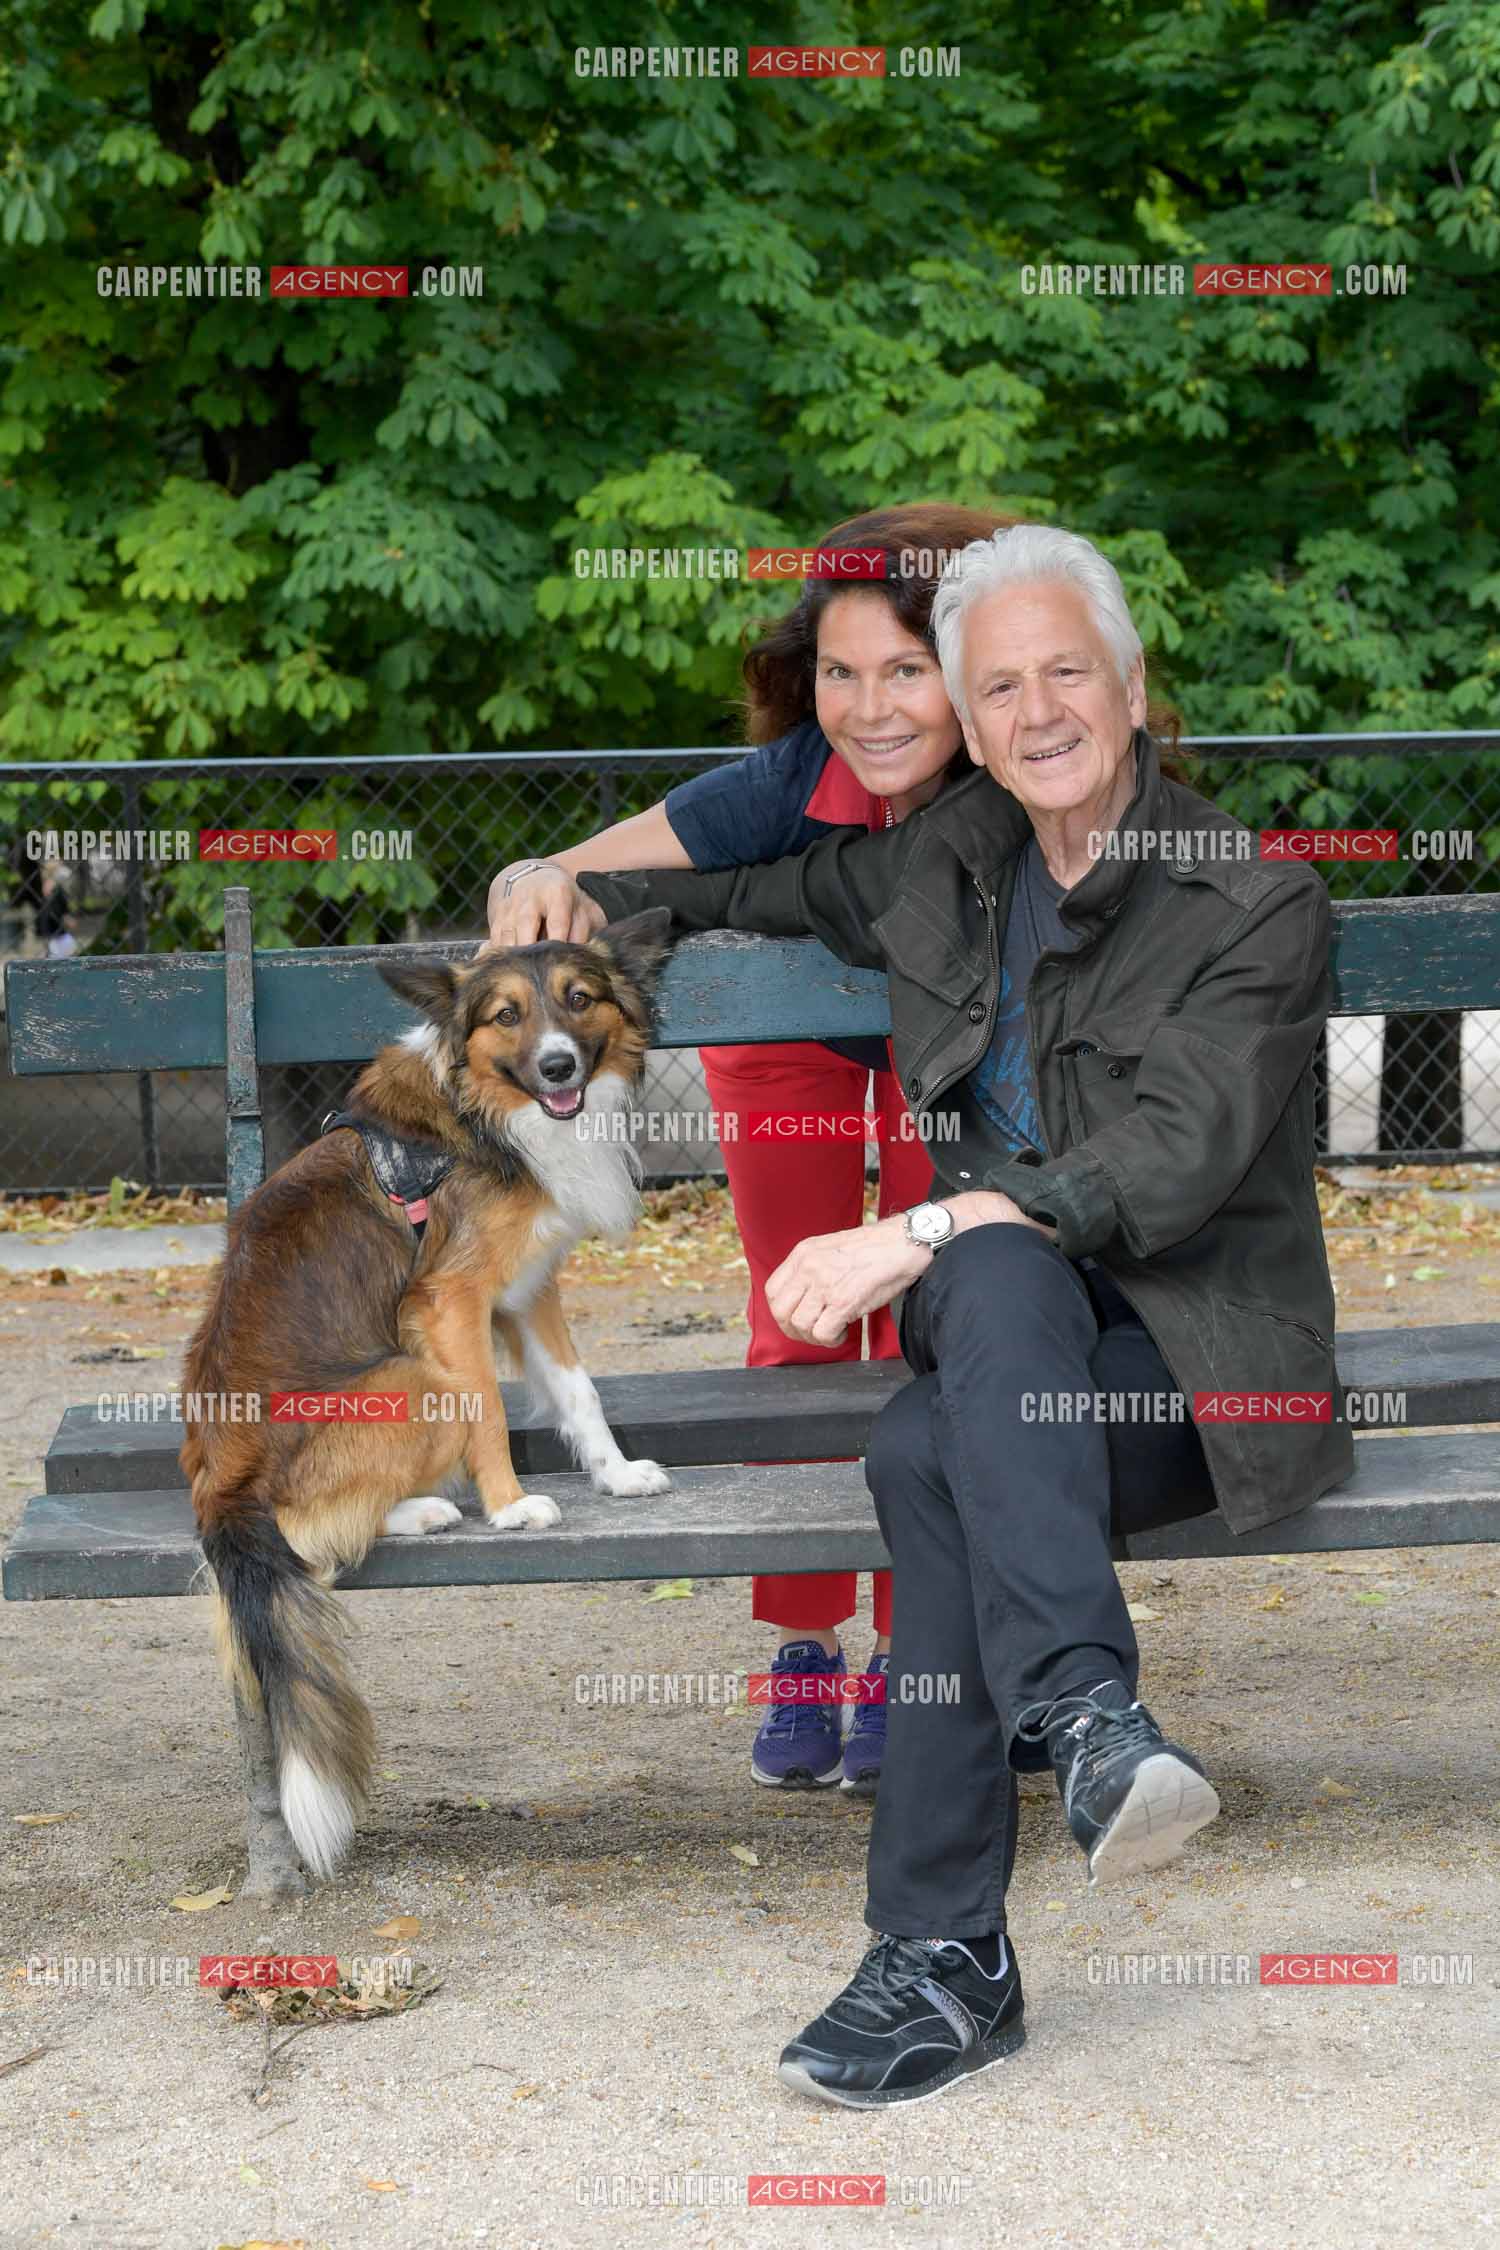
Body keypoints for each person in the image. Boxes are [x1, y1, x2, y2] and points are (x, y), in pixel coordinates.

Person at [566, 523, 1354, 2106]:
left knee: (932, 1436)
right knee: (988, 1294)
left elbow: (1167, 1164)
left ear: (1129, 688)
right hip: (1015, 1353)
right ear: (974, 721)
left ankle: (947, 1958)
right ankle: (1086, 1720)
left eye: (1070, 671)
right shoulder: (944, 861)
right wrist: (575, 892)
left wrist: (910, 1225)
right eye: (1002, 685)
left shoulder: (1252, 898)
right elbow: (741, 875)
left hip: (1191, 1385)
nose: (1038, 708)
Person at [486, 503, 1013, 1796]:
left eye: (906, 669)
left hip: (945, 1061)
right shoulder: (789, 780)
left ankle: (913, 1649)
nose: (872, 706)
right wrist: (528, 882)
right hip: (790, 1059)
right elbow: (565, 871)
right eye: (841, 672)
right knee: (799, 1318)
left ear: (966, 667)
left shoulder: (1021, 766)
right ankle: (805, 1648)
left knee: (927, 1320)